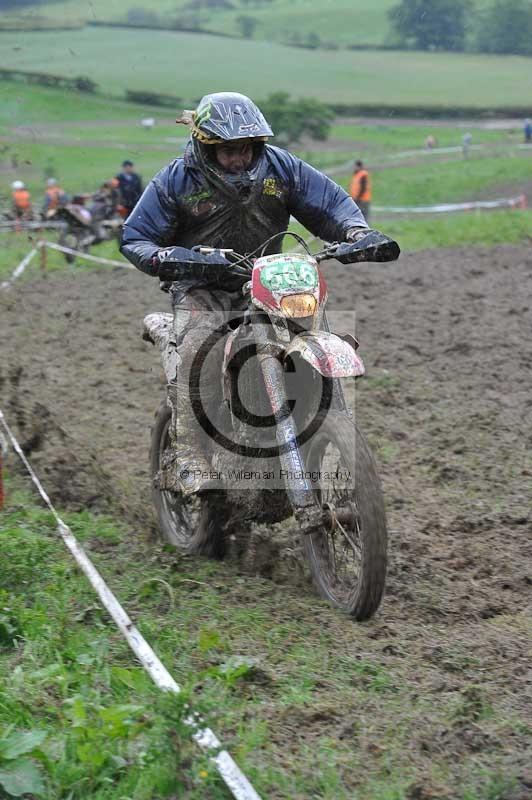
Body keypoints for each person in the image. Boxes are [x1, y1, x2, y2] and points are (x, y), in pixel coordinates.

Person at [121, 91, 378, 497]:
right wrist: (178, 258)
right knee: (197, 346)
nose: (239, 158)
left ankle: (326, 430)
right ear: (206, 147)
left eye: (246, 148)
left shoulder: (280, 167)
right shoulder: (177, 179)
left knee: (311, 324)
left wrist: (356, 232)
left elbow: (328, 202)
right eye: (228, 151)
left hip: (267, 283)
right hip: (203, 288)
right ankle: (189, 457)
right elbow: (136, 236)